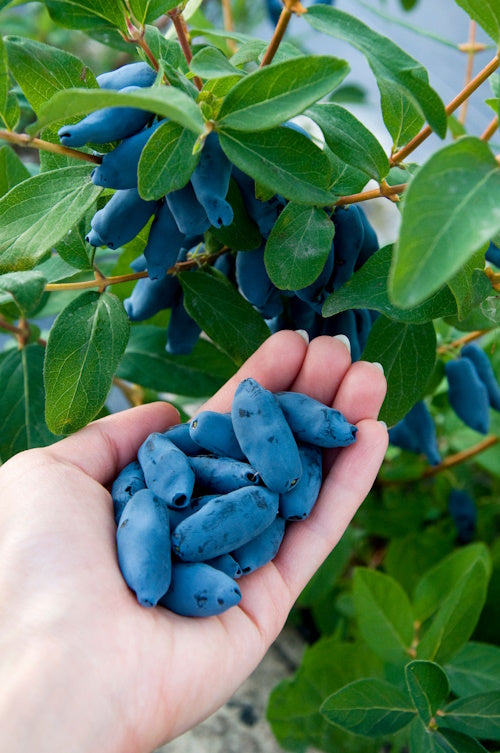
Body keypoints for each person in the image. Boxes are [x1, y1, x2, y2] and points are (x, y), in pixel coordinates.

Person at [0, 330, 388, 753]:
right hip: (202, 530)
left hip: (222, 520)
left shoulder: (224, 490)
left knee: (259, 492)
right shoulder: (170, 494)